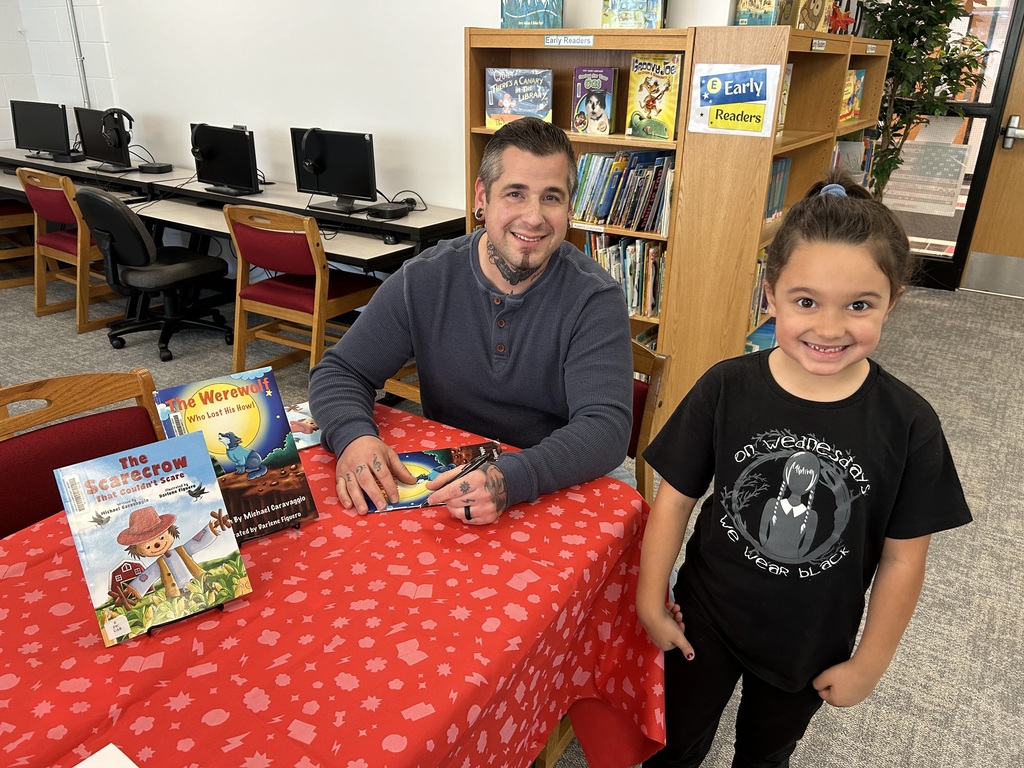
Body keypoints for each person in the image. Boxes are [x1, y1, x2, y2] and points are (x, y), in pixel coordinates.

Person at [636, 171, 972, 767]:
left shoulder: (910, 423)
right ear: (770, 295)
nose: (829, 328)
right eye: (807, 301)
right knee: (675, 741)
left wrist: (870, 663)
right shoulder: (726, 387)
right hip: (705, 617)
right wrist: (649, 597)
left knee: (766, 755)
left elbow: (903, 557)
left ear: (893, 302)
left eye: (860, 305)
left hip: (812, 641)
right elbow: (675, 498)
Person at [309, 117, 633, 525]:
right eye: (515, 194)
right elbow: (340, 371)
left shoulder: (595, 297)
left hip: (557, 477)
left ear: (569, 206)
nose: (533, 218)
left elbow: (605, 429)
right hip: (451, 479)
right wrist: (354, 437)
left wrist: (508, 478)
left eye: (551, 197)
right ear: (482, 197)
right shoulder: (424, 277)